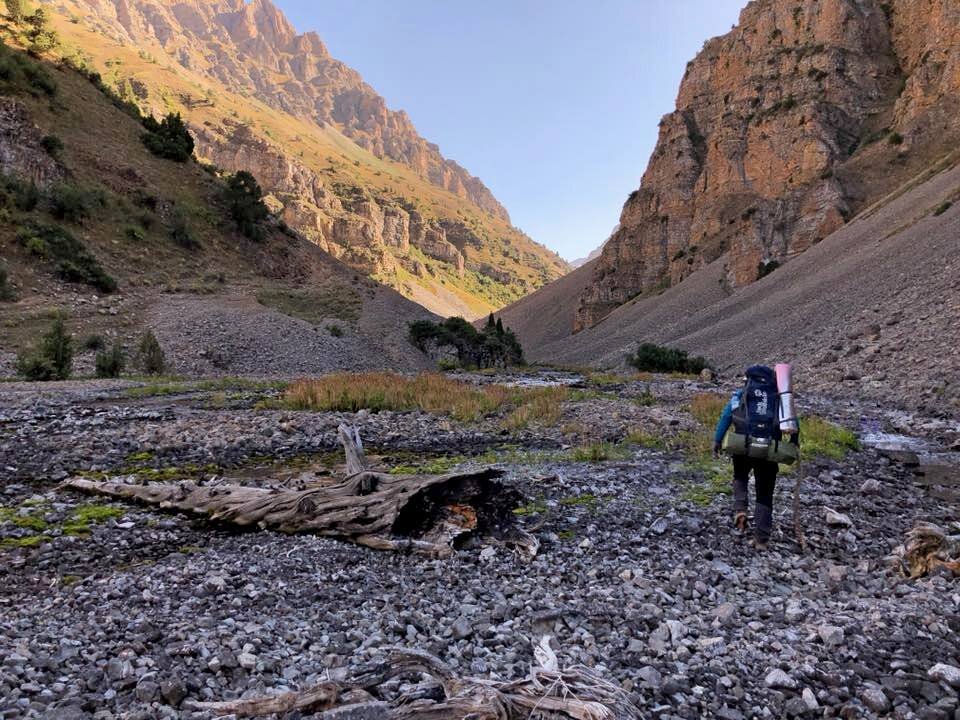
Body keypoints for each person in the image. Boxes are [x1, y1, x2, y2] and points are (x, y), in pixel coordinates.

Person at [712, 367, 789, 550]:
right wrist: (794, 443)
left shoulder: (741, 394)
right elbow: (792, 424)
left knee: (740, 476)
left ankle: (740, 509)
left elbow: (726, 417)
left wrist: (716, 441)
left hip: (743, 446)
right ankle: (761, 539)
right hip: (769, 450)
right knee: (765, 492)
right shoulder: (779, 397)